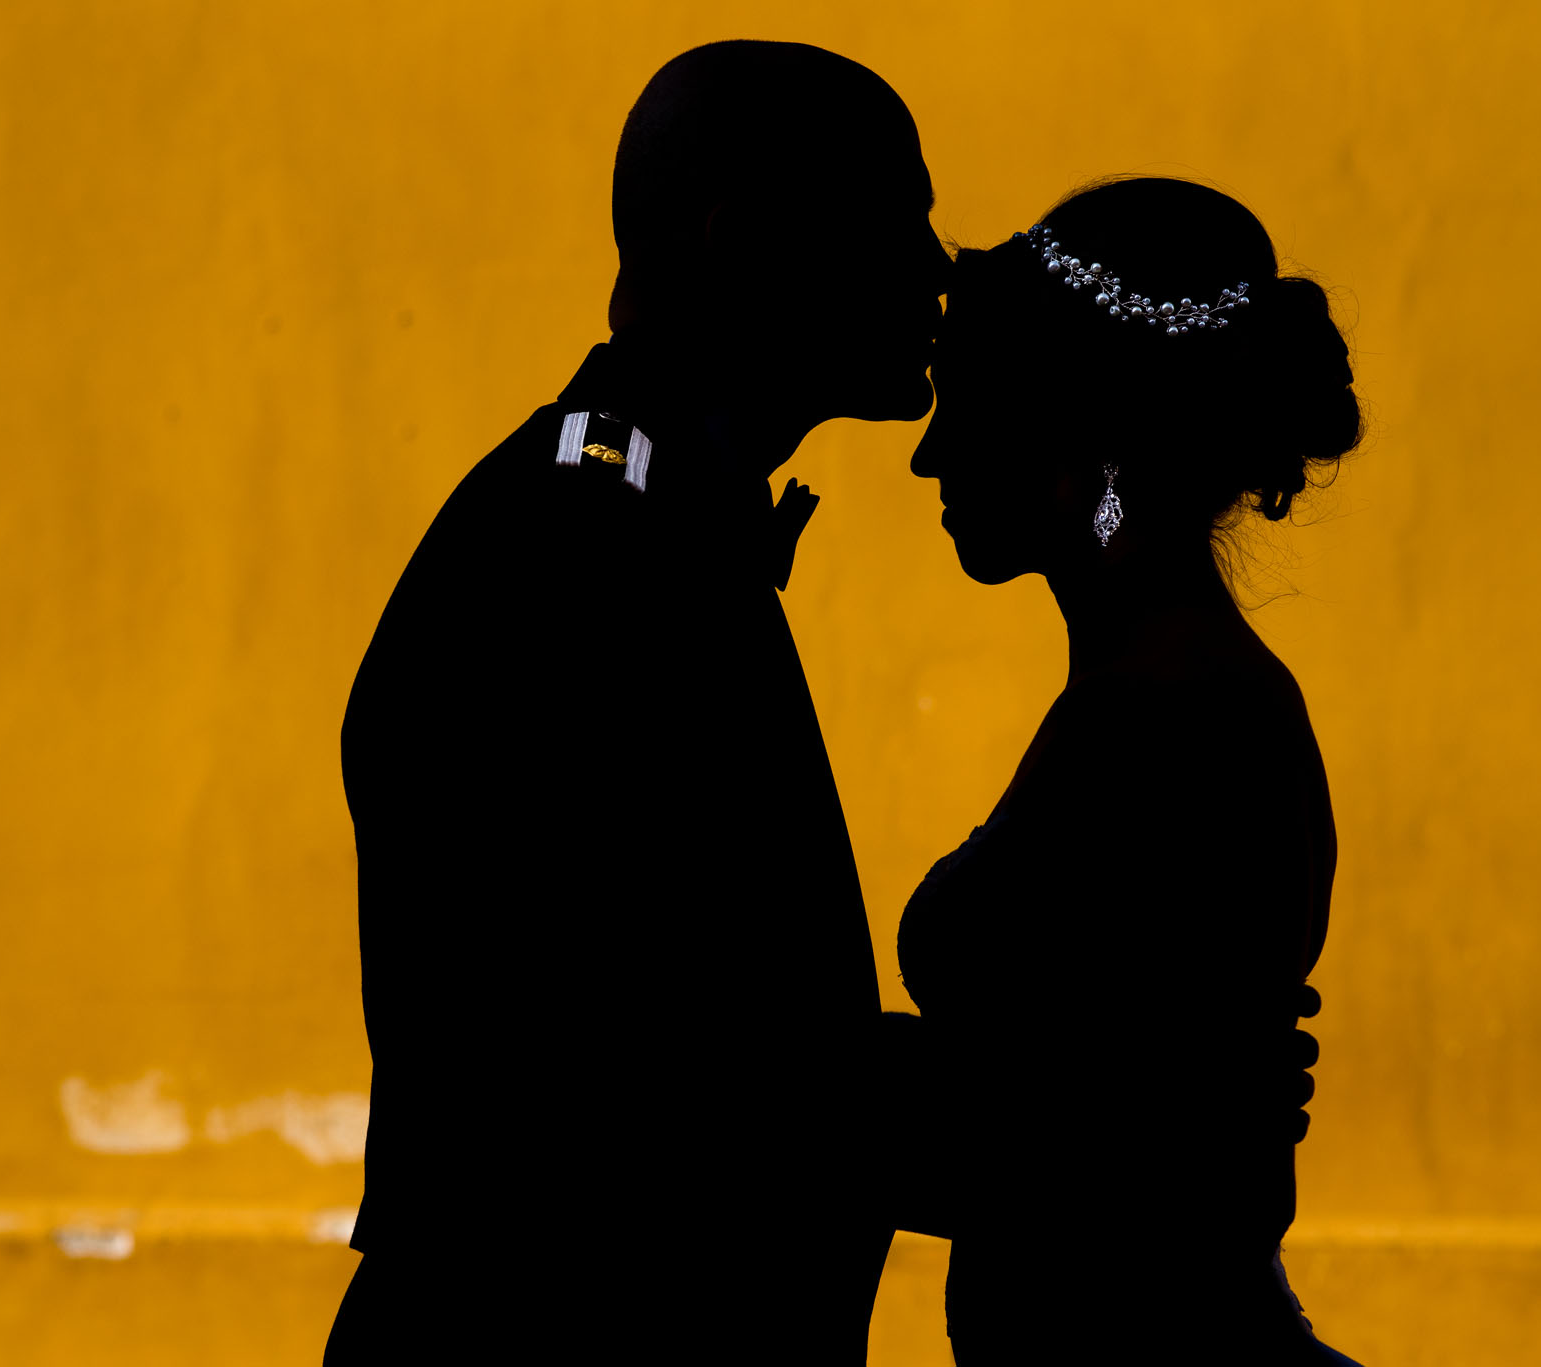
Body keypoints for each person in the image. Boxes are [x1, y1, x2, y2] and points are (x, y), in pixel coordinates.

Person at [327, 40, 952, 1363]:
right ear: (745, 243)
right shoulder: (584, 560)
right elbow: (660, 1078)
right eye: (900, 218)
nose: (938, 269)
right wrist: (1117, 1116)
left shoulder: (642, 521)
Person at [902, 175, 1363, 1364]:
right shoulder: (1159, 698)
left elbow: (1090, 1155)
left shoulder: (1167, 722)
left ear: (1089, 446)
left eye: (970, 410)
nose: (928, 454)